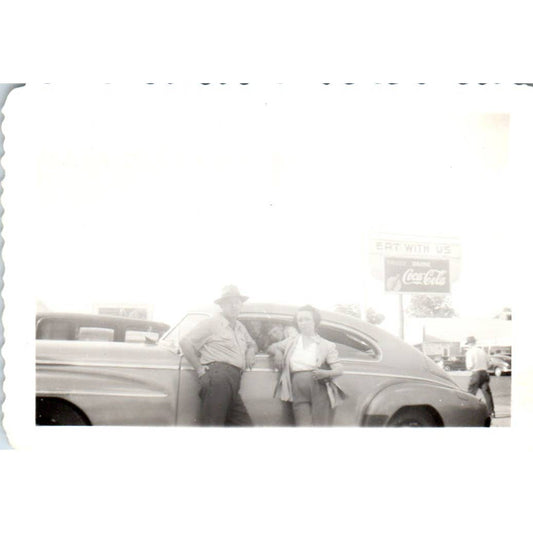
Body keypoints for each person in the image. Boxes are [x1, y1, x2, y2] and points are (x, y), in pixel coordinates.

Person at [179, 285, 257, 426]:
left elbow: (252, 343)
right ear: (222, 306)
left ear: (241, 305)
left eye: (237, 302)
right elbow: (185, 342)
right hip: (217, 378)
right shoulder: (212, 323)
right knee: (213, 425)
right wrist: (199, 369)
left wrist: (250, 352)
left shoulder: (240, 326)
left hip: (233, 382)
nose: (234, 306)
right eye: (229, 303)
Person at [267, 305, 345, 426]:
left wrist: (326, 373)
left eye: (307, 319)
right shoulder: (292, 341)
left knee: (320, 424)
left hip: (318, 386)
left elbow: (339, 369)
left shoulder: (327, 345)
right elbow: (272, 347)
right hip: (297, 387)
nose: (303, 323)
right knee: (302, 424)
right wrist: (277, 353)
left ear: (315, 321)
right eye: (300, 320)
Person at [465, 336, 495, 417]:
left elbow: (469, 366)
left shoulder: (470, 352)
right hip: (484, 373)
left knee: (471, 394)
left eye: (468, 344)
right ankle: (491, 412)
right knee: (487, 393)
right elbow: (489, 364)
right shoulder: (482, 351)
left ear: (470, 343)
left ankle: (468, 412)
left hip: (476, 373)